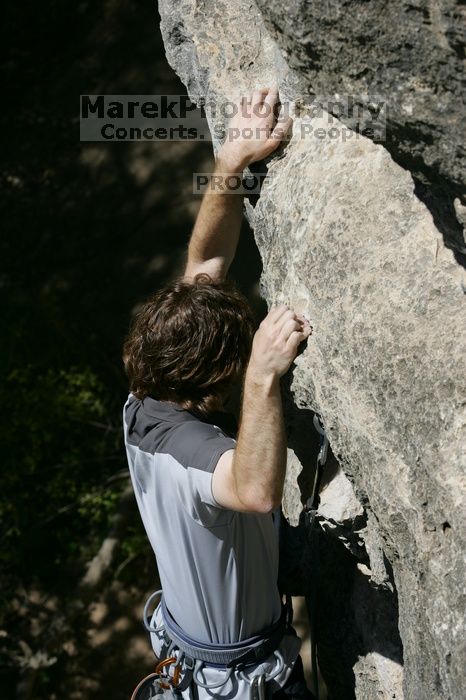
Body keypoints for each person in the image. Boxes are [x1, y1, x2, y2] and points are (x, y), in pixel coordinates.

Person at [123, 87, 315, 699]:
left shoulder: (147, 396)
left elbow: (205, 259)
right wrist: (261, 375)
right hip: (239, 681)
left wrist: (231, 163)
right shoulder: (190, 453)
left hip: (202, 652)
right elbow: (256, 491)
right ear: (214, 383)